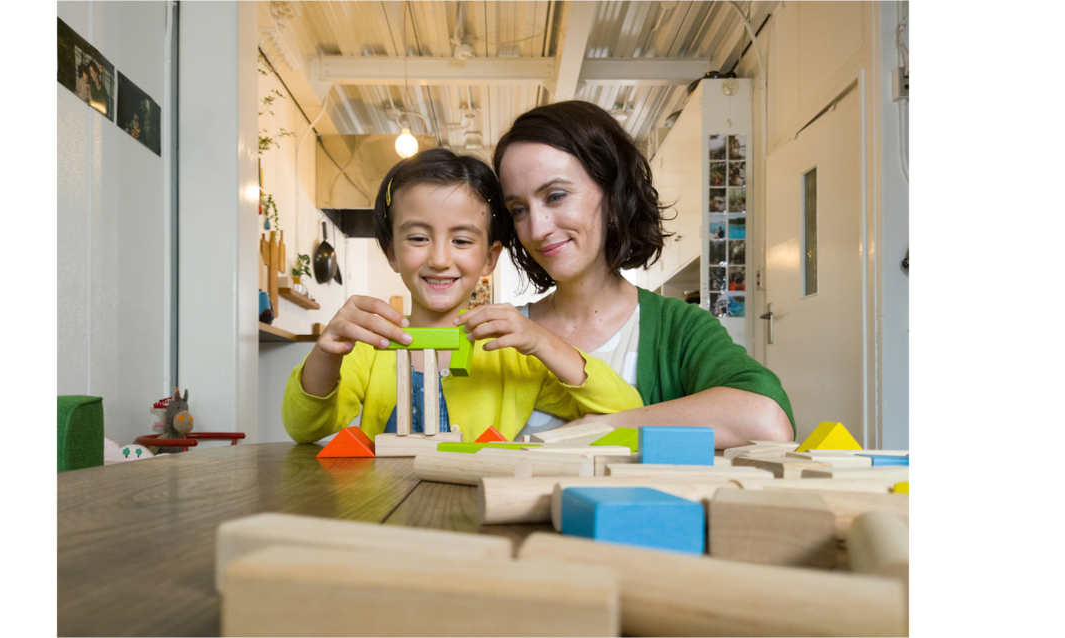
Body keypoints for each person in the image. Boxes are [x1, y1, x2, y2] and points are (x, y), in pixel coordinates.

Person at [488, 100, 795, 449]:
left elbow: (766, 422)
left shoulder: (678, 329)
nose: (538, 228)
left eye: (555, 196)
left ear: (614, 196)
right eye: (518, 209)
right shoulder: (501, 338)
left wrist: (601, 429)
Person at [283, 148, 642, 445]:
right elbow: (303, 428)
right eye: (418, 238)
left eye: (462, 241)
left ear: (489, 258)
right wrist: (326, 352)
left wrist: (543, 341)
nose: (440, 260)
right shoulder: (370, 346)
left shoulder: (512, 356)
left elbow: (624, 408)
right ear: (391, 252)